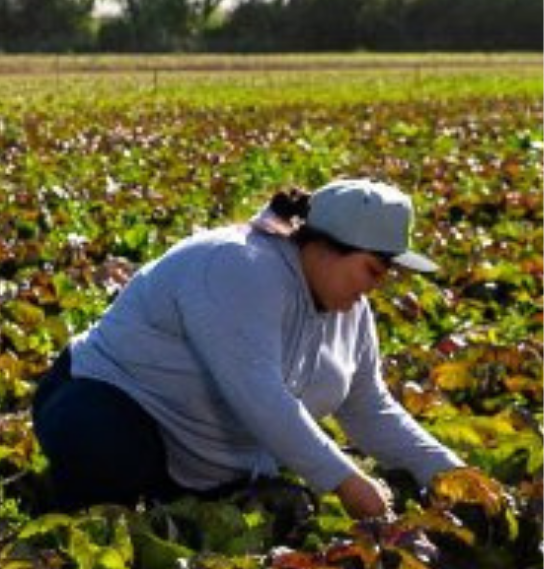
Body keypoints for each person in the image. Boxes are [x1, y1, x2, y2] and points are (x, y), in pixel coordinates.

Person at [32, 180, 462, 515]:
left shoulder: (351, 311)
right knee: (108, 456)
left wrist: (455, 477)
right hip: (103, 400)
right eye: (372, 269)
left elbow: (370, 408)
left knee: (270, 518)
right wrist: (347, 483)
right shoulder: (238, 265)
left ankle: (190, 498)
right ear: (326, 247)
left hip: (208, 460)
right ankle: (60, 505)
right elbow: (260, 396)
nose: (376, 287)